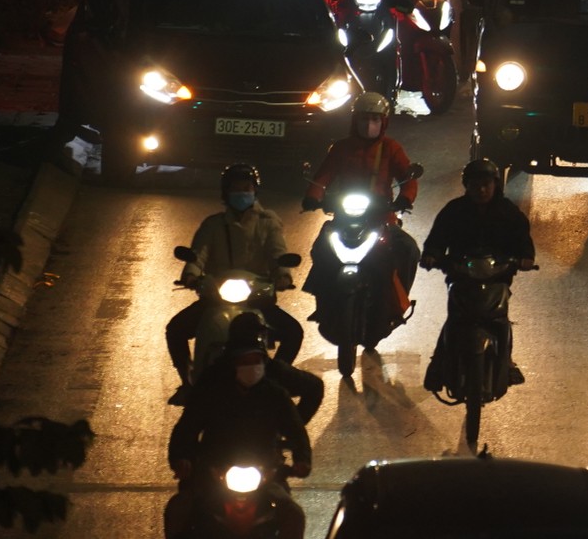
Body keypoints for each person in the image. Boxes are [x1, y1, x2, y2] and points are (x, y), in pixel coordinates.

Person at [166, 165, 303, 394]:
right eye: (236, 189)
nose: (242, 193)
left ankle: (276, 380)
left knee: (293, 332)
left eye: (246, 188)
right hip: (216, 297)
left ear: (255, 191)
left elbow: (277, 253)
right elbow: (199, 254)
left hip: (256, 298)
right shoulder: (213, 224)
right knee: (175, 329)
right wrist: (191, 274)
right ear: (225, 192)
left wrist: (282, 276)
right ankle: (187, 381)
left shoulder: (268, 222)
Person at [164, 330, 312, 539]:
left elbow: (296, 431)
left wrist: (302, 460)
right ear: (233, 364)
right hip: (212, 471)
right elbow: (186, 428)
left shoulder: (275, 395)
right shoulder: (211, 392)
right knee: (178, 509)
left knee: (293, 515)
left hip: (266, 474)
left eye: (256, 360)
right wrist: (181, 459)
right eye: (245, 361)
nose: (251, 366)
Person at [301, 93, 420, 340]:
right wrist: (313, 196)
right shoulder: (341, 148)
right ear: (355, 120)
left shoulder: (391, 148)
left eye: (375, 119)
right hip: (345, 215)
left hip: (381, 217)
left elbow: (408, 178)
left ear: (384, 122)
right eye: (364, 118)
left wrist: (405, 199)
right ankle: (323, 298)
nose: (369, 124)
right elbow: (324, 176)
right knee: (321, 247)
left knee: (408, 249)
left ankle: (398, 303)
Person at [421, 158, 536, 393]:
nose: (481, 190)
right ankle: (438, 362)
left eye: (486, 184)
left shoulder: (508, 213)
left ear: (495, 185)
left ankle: (508, 361)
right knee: (454, 319)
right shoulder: (453, 211)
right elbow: (437, 239)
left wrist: (525, 258)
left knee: (500, 320)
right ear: (467, 186)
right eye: (476, 185)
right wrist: (432, 255)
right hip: (461, 275)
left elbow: (523, 240)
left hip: (497, 276)